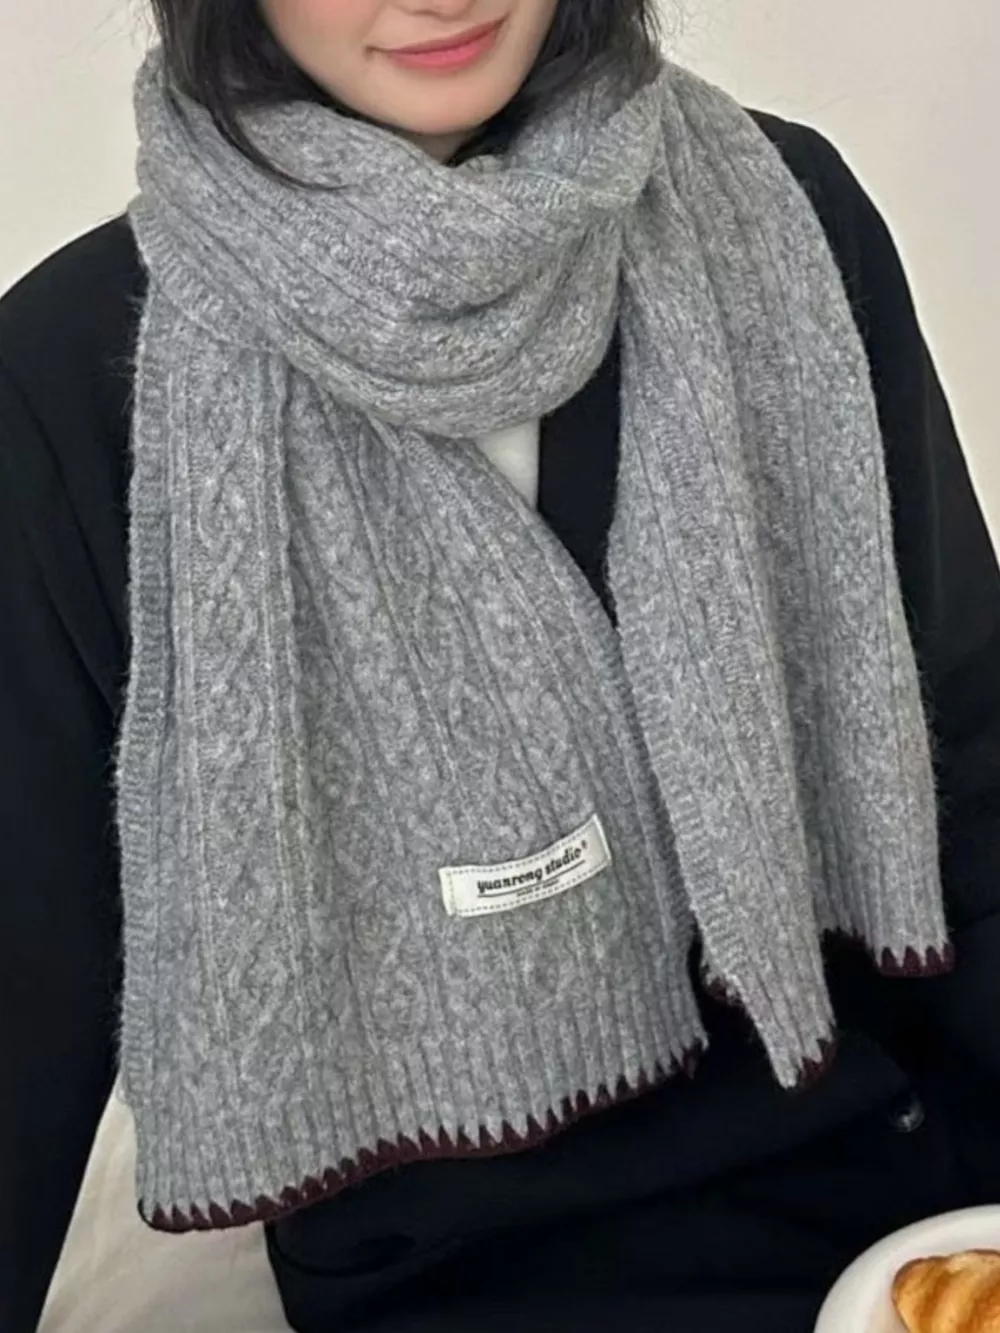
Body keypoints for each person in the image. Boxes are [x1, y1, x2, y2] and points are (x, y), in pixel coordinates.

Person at [2, 2, 998, 1330]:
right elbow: (26, 988)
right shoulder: (72, 374)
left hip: (896, 1201)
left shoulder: (787, 208)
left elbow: (967, 751)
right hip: (469, 1276)